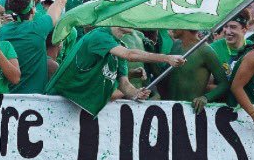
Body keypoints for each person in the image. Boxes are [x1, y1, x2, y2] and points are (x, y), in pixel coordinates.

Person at [49, 25, 186, 116]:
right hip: (56, 103)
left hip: (80, 109)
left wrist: (136, 93)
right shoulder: (99, 35)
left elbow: (124, 85)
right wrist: (166, 58)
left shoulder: (119, 46)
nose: (134, 20)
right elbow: (130, 55)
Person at [0, 0, 73, 95]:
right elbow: (59, 3)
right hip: (35, 103)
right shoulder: (38, 28)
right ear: (33, 10)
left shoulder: (0, 31)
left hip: (5, 102)